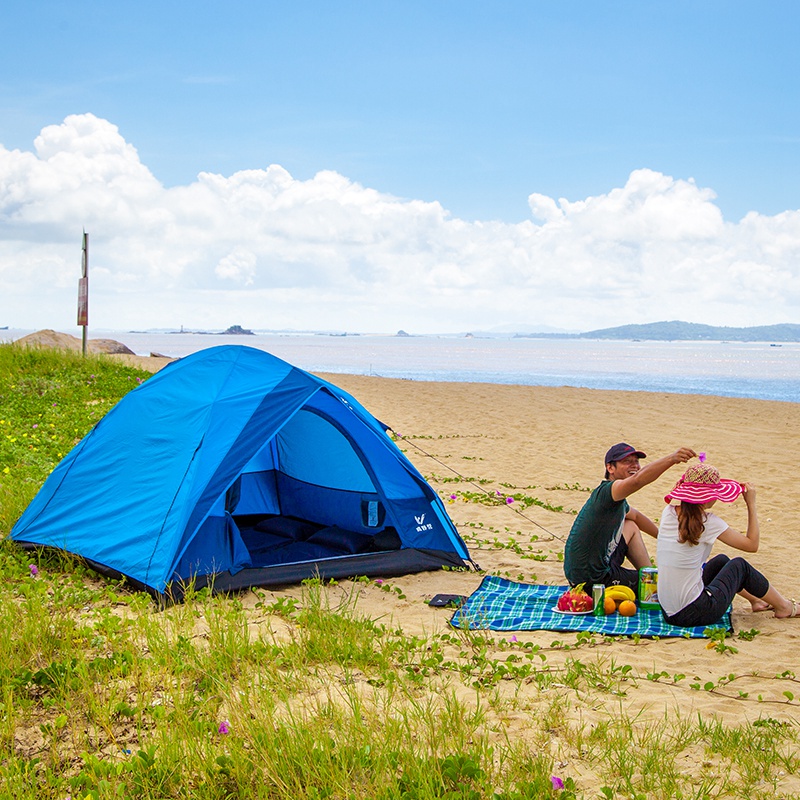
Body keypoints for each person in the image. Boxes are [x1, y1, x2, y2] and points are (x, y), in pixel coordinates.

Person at [656, 463, 797, 626]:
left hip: (669, 611)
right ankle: (784, 607)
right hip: (695, 612)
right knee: (740, 566)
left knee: (722, 561)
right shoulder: (708, 522)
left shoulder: (668, 513)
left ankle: (757, 601)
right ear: (709, 497)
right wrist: (751, 504)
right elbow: (752, 545)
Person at [563, 442, 696, 592]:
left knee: (630, 525)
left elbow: (637, 517)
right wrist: (672, 458)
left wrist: (664, 539)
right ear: (610, 468)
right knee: (660, 588)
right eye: (627, 461)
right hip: (591, 579)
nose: (634, 466)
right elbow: (637, 480)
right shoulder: (609, 491)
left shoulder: (617, 500)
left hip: (599, 563)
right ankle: (653, 585)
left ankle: (650, 575)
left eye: (636, 461)